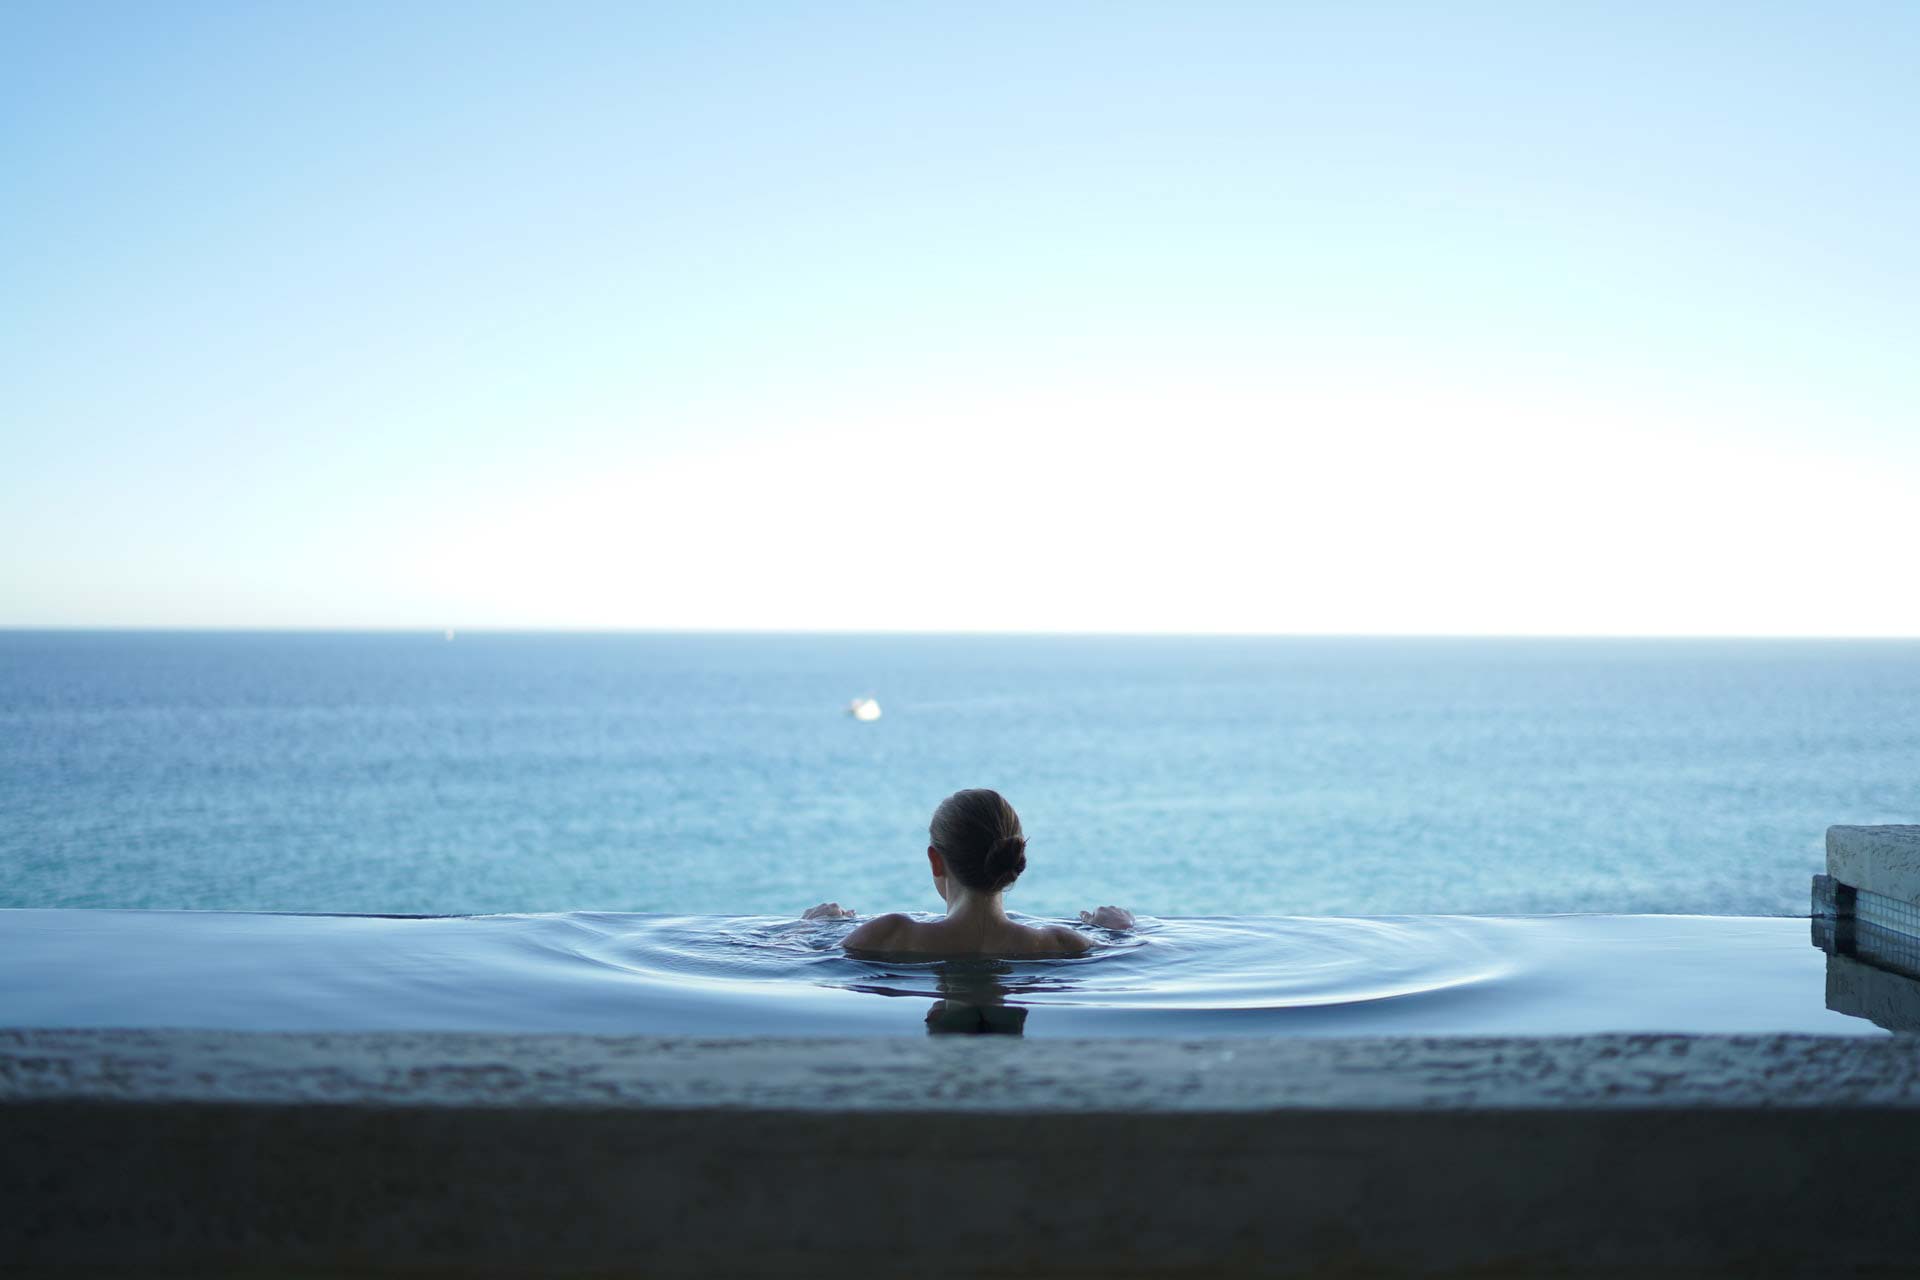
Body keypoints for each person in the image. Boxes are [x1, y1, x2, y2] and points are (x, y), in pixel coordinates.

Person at [804, 787, 1134, 956]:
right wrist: (1120, 931)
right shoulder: (1060, 944)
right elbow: (1126, 957)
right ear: (1014, 859)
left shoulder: (889, 936)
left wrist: (811, 928)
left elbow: (800, 959)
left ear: (936, 860)